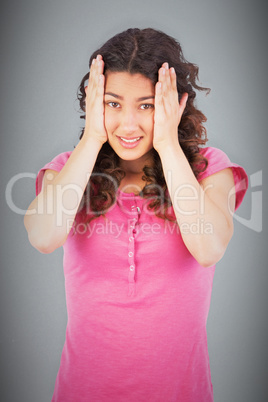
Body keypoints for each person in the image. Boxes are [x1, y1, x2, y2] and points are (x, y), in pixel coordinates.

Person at [24, 28, 248, 402]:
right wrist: (92, 139)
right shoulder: (67, 171)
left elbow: (209, 248)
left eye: (146, 105)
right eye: (113, 104)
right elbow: (42, 237)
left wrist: (167, 142)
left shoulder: (210, 170)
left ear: (176, 104)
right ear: (94, 104)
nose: (128, 125)